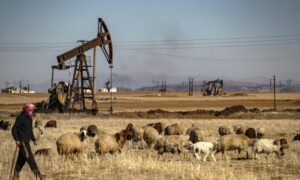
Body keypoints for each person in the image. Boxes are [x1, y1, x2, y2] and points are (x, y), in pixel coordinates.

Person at [11, 103, 45, 180]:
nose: (32, 111)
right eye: (30, 110)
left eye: (32, 110)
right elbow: (14, 129)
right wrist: (17, 139)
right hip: (22, 142)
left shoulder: (29, 119)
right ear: (26, 109)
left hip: (27, 142)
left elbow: (30, 131)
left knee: (21, 160)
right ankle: (39, 176)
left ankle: (15, 176)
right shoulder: (20, 118)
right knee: (30, 158)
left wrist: (33, 140)